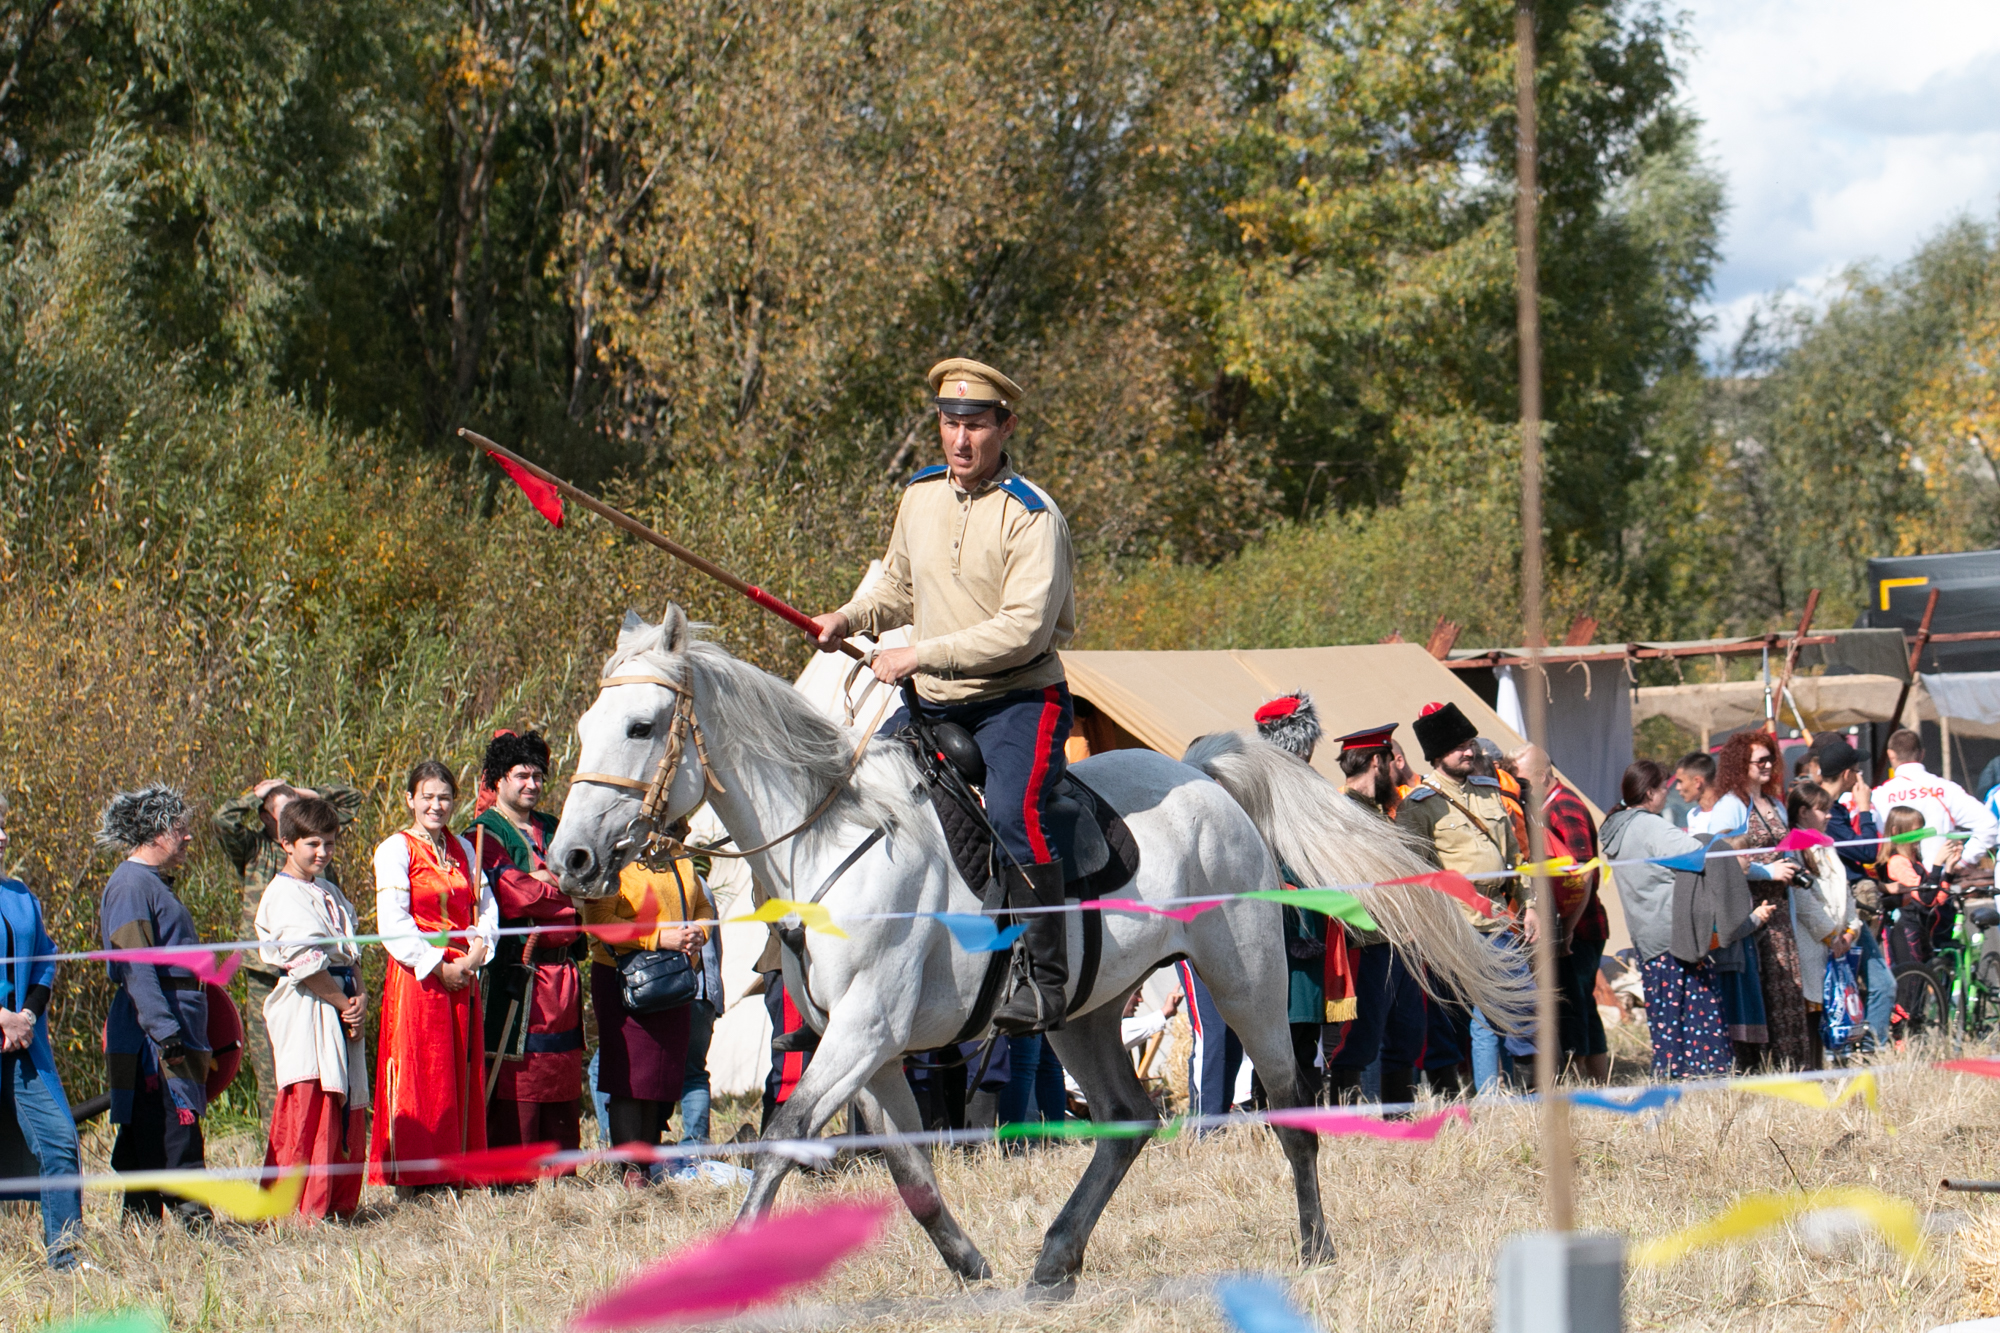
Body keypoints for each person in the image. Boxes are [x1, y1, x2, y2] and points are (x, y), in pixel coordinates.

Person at [810, 357, 1077, 1035]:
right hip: (932, 703)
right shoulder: (919, 495)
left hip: (1017, 699)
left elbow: (1023, 629)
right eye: (949, 423)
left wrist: (919, 652)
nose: (960, 440)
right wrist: (848, 616)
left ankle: (1048, 980)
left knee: (1016, 816)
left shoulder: (1032, 516)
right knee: (858, 799)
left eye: (976, 425)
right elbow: (896, 588)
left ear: (1005, 425)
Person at [1600, 761, 1777, 1078]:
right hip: (1674, 935)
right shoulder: (1649, 827)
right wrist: (1723, 843)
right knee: (1696, 1011)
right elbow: (1700, 854)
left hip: (1647, 933)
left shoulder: (1620, 825)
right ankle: (1703, 1075)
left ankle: (1672, 1072)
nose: (1668, 794)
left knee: (1667, 1014)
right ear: (1651, 791)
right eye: (1663, 788)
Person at [368, 760, 496, 1195]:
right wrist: (438, 966)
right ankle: (418, 1178)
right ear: (410, 799)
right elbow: (393, 922)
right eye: (427, 796)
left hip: (464, 973)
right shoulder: (395, 849)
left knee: (459, 1071)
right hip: (418, 978)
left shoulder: (465, 848)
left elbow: (485, 909)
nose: (436, 805)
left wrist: (477, 955)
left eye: (443, 797)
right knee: (424, 1073)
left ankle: (456, 1170)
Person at [212, 777, 363, 1121]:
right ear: (268, 821)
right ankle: (277, 1141)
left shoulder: (316, 855)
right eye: (279, 813)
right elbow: (222, 821)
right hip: (270, 975)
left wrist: (305, 795)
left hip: (328, 977)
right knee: (277, 1068)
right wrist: (257, 793)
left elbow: (350, 802)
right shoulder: (255, 848)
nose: (322, 850)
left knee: (328, 1068)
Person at [97, 785, 212, 1223]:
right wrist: (165, 1033)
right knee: (172, 1126)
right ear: (154, 832)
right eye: (180, 829)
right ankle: (196, 1223)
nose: (187, 839)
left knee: (148, 1129)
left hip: (170, 1022)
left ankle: (140, 1227)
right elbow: (136, 969)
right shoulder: (129, 885)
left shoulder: (149, 883)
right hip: (153, 1035)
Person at [1396, 702, 1524, 1094]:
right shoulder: (1417, 806)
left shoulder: (1490, 793)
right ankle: (1482, 1097)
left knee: (1520, 1007)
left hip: (1500, 918)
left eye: (1470, 743)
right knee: (1474, 1016)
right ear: (1437, 756)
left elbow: (1516, 859)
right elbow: (1416, 877)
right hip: (1456, 923)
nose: (1469, 752)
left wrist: (1530, 907)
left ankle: (1530, 1093)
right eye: (1458, 747)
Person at [470, 731, 585, 1159]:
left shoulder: (557, 828)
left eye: (538, 775)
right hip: (517, 974)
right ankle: (514, 1171)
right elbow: (515, 895)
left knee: (561, 1071)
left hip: (563, 975)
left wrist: (549, 882)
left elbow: (590, 884)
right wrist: (561, 887)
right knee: (517, 1071)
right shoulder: (483, 833)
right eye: (522, 775)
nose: (532, 784)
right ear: (498, 780)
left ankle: (558, 1169)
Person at [254, 795, 369, 1220]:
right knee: (310, 1102)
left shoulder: (329, 891)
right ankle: (299, 1208)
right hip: (308, 1007)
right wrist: (342, 1003)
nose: (323, 853)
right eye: (313, 844)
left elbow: (351, 955)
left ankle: (337, 1202)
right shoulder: (282, 894)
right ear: (287, 843)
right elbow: (306, 964)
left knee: (345, 1101)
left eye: (330, 844)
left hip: (339, 1004)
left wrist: (359, 999)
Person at [580, 854, 707, 1186]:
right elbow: (598, 919)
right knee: (629, 1078)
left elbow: (704, 907)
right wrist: (657, 938)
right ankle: (630, 1170)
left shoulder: (679, 858)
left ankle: (648, 1161)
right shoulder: (613, 860)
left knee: (660, 1079)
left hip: (673, 980)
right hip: (624, 980)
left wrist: (700, 932)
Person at [0, 792, 83, 1267]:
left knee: (58, 1139)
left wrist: (25, 1017)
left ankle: (67, 1257)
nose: (4, 835)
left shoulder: (20, 896)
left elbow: (46, 961)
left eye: (5, 824)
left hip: (25, 1048)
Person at [1710, 731, 1810, 1069]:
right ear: (1742, 764)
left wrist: (1793, 866)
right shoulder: (1729, 807)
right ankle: (1758, 1069)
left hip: (1782, 912)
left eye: (1771, 758)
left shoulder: (1776, 803)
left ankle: (1790, 1067)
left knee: (1787, 988)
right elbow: (1718, 858)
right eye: (1759, 760)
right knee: (1759, 991)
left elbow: (1784, 849)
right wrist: (1767, 874)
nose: (1767, 765)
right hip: (1751, 914)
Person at [1512, 745, 1609, 1083]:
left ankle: (1582, 1080)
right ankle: (1596, 1081)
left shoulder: (1564, 808)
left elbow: (1583, 875)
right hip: (1573, 927)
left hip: (1580, 929)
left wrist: (1566, 930)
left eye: (1521, 779)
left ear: (1540, 776)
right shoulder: (1544, 808)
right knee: (1582, 1007)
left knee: (1575, 1008)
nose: (1517, 785)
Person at [1323, 723, 1407, 1103]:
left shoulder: (1374, 811)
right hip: (1361, 937)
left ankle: (1397, 1111)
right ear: (1377, 760)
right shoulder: (1342, 812)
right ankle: (1348, 1115)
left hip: (1392, 936)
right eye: (1388, 761)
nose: (1393, 769)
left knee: (1402, 1030)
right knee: (1358, 1035)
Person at [1814, 738, 1892, 1045]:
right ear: (1848, 774)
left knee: (1868, 983)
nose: (1860, 776)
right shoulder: (1825, 812)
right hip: (1838, 915)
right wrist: (1865, 808)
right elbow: (1866, 852)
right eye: (1857, 770)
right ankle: (1866, 1050)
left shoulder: (1830, 809)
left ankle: (1863, 1048)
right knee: (1878, 983)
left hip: (1848, 911)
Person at [1783, 782, 1861, 1055]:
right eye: (1822, 810)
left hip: (1835, 944)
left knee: (1830, 1014)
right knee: (1811, 1016)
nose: (1829, 816)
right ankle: (1810, 1071)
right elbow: (1802, 899)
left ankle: (1825, 1069)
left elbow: (1845, 892)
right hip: (1811, 944)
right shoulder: (1793, 846)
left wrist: (1851, 929)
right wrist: (1830, 934)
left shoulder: (1826, 845)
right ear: (1803, 812)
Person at [1871, 727, 1999, 871]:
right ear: (1922, 754)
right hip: (1939, 879)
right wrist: (1963, 862)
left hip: (1896, 880)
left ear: (1890, 755)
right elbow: (1988, 824)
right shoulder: (1946, 789)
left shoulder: (1879, 795)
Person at [1668, 752, 1716, 831]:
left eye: (1680, 781)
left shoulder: (1728, 810)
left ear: (1697, 782)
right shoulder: (1692, 815)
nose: (1677, 787)